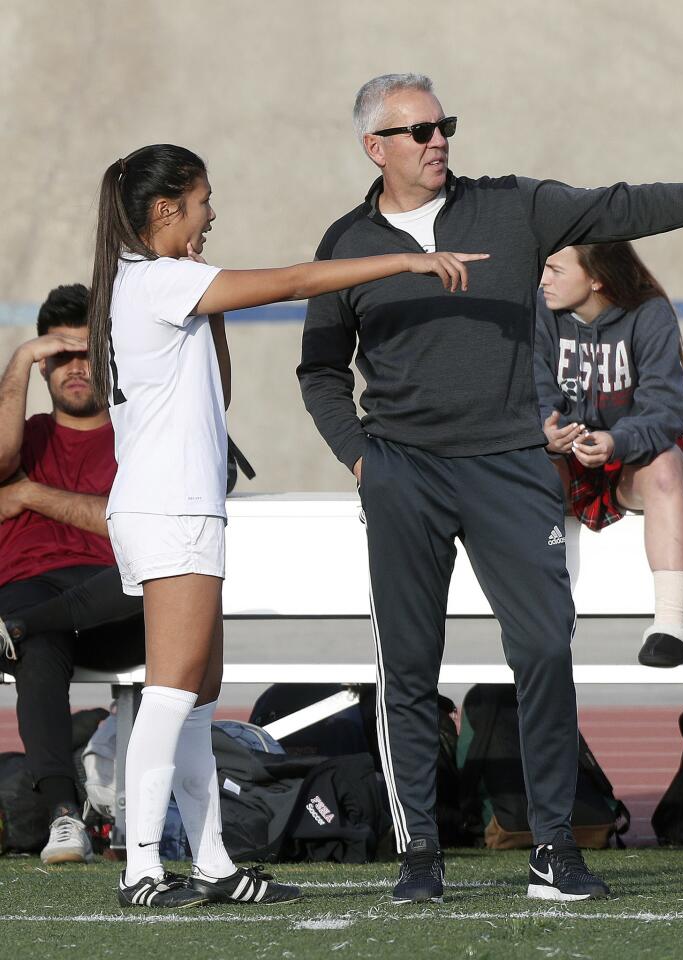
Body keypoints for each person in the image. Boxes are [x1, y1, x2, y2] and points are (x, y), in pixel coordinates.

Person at [296, 70, 683, 904]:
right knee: (409, 665)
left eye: (446, 126)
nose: (440, 140)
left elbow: (629, 206)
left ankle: (554, 845)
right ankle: (420, 857)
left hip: (512, 466)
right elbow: (321, 371)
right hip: (404, 471)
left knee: (545, 649)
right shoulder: (345, 243)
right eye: (419, 131)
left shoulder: (517, 206)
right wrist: (364, 460)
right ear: (376, 147)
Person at [88, 142, 485, 909]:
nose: (213, 216)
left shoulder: (161, 285)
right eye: (203, 202)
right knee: (170, 693)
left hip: (182, 505)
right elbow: (300, 280)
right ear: (165, 208)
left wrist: (218, 304)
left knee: (199, 696)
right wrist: (403, 264)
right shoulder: (157, 279)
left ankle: (212, 864)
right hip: (168, 509)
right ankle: (140, 870)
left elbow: (221, 388)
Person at [0, 283, 145, 865]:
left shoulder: (138, 435)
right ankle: (64, 817)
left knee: (139, 581)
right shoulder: (25, 437)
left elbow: (132, 529)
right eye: (58, 355)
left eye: (87, 352)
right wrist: (18, 359)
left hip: (116, 603)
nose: (74, 368)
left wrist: (31, 493)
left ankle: (18, 625)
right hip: (33, 595)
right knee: (37, 645)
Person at [535, 241, 683, 669]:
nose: (544, 279)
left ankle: (670, 625)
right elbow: (530, 388)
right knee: (523, 468)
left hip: (628, 455)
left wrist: (618, 441)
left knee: (668, 461)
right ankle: (540, 622)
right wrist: (546, 428)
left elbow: (666, 410)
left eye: (556, 270)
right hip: (564, 457)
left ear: (597, 277)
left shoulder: (649, 314)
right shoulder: (538, 309)